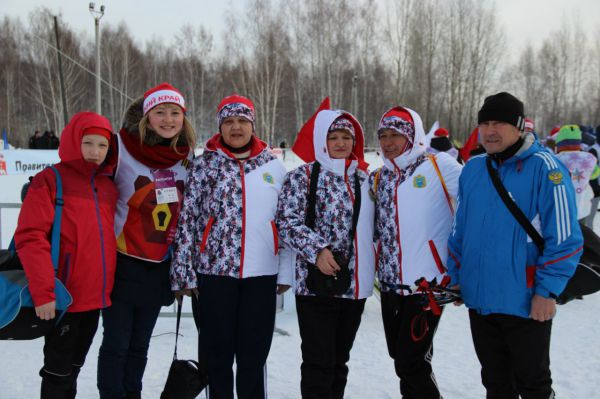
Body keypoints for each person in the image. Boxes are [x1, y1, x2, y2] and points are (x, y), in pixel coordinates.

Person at [447, 92, 583, 398]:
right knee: (495, 384)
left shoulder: (547, 168)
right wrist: (456, 279)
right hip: (481, 300)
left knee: (533, 385)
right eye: (485, 123)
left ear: (520, 126)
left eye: (499, 123)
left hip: (526, 302)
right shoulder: (473, 168)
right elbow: (460, 231)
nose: (490, 130)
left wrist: (547, 291)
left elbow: (565, 240)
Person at [170, 94, 290, 399]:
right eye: (229, 121)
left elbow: (286, 222)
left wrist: (286, 273)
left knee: (253, 356)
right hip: (213, 275)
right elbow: (188, 220)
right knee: (218, 355)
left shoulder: (273, 166)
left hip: (261, 275)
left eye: (242, 121)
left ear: (252, 124)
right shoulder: (203, 165)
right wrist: (184, 273)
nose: (236, 127)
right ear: (220, 126)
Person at [97, 82, 195, 399]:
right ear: (146, 116)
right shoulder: (121, 146)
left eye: (175, 113)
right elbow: (88, 181)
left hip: (158, 267)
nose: (168, 120)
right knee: (117, 343)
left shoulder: (187, 156)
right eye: (160, 112)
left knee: (140, 344)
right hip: (122, 263)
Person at [14, 112, 118, 398]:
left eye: (102, 145)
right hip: (62, 298)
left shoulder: (107, 186)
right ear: (74, 141)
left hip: (94, 299)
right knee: (58, 373)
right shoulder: (50, 180)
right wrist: (44, 291)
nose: (95, 152)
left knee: (73, 368)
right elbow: (30, 237)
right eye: (88, 143)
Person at [276, 105, 376, 398]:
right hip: (315, 286)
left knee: (339, 362)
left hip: (353, 286)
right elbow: (287, 221)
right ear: (322, 140)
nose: (341, 143)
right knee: (318, 363)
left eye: (347, 137)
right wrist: (317, 250)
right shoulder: (302, 177)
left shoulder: (365, 180)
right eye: (334, 137)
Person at [370, 106, 461, 398]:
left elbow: (478, 202)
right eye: (383, 135)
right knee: (402, 359)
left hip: (427, 286)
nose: (387, 142)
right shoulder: (380, 177)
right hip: (390, 284)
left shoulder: (439, 166)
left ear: (412, 135)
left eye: (395, 134)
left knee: (412, 362)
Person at [554, 124, 598, 221]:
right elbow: (595, 174)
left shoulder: (555, 160)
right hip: (583, 209)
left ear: (559, 143)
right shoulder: (589, 159)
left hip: (561, 211)